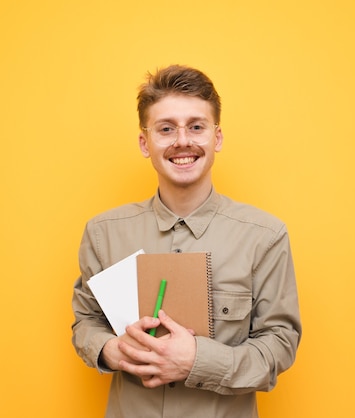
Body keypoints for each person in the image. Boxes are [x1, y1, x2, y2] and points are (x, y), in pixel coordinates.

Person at [71, 65, 302, 417]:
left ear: (217, 138)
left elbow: (280, 346)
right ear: (144, 142)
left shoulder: (265, 237)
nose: (182, 140)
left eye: (196, 126)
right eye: (166, 129)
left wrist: (198, 361)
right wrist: (111, 349)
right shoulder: (103, 233)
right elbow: (86, 322)